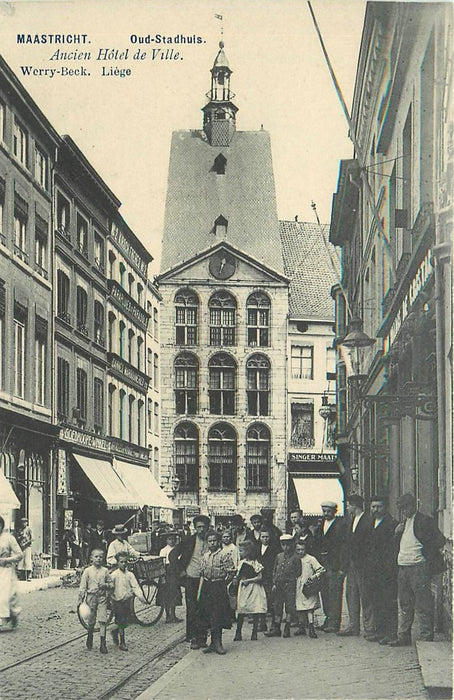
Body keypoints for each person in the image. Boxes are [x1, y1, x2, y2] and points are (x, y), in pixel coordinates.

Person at [389, 493, 446, 646]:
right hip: (403, 568)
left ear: (414, 506)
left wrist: (425, 556)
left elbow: (440, 540)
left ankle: (426, 636)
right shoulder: (402, 524)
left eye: (406, 507)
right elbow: (396, 546)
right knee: (405, 604)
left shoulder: (425, 521)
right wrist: (396, 533)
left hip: (418, 567)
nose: (404, 511)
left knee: (422, 603)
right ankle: (404, 636)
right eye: (401, 508)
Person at [338, 494, 377, 640]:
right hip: (352, 564)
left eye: (349, 505)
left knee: (366, 595)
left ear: (355, 505)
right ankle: (353, 626)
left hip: (364, 564)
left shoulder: (368, 520)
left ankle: (369, 628)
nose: (347, 508)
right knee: (351, 594)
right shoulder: (351, 520)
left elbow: (369, 545)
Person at [169, 514, 210, 649]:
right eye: (199, 527)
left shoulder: (211, 540)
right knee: (192, 608)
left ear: (207, 528)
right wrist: (181, 570)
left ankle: (202, 637)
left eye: (204, 527)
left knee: (204, 607)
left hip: (206, 579)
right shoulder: (189, 540)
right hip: (191, 578)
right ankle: (192, 637)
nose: (201, 530)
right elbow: (172, 555)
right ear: (195, 528)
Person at [198, 529, 235, 655]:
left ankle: (218, 642)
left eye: (214, 541)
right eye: (210, 541)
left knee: (218, 615)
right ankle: (212, 643)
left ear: (218, 542)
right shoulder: (205, 556)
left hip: (219, 587)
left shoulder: (224, 554)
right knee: (208, 615)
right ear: (207, 543)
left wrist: (222, 584)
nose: (212, 543)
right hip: (207, 587)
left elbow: (231, 572)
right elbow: (202, 572)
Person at [368, 496, 399, 645]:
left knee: (388, 602)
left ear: (385, 508)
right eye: (373, 507)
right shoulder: (370, 523)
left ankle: (391, 633)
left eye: (378, 507)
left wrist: (390, 568)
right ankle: (379, 631)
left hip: (387, 570)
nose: (375, 510)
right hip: (373, 570)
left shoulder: (391, 524)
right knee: (376, 601)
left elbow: (393, 549)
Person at [313, 500, 346, 633]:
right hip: (322, 563)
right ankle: (328, 618)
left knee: (335, 593)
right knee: (324, 592)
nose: (326, 514)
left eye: (329, 511)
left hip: (334, 564)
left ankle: (335, 621)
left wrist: (341, 566)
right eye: (324, 511)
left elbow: (343, 547)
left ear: (335, 512)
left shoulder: (340, 525)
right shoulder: (320, 525)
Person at [265, 534, 302, 638]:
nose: (286, 547)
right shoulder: (279, 556)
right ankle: (276, 628)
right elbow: (275, 570)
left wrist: (291, 581)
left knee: (289, 607)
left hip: (289, 585)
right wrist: (274, 582)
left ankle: (287, 627)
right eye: (283, 545)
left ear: (292, 545)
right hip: (278, 585)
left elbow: (298, 572)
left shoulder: (296, 558)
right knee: (277, 606)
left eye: (288, 545)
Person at [110, 551, 147, 651]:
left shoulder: (130, 575)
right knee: (121, 620)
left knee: (124, 621)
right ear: (117, 562)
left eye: (125, 562)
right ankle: (122, 642)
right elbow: (109, 588)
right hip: (117, 600)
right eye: (121, 562)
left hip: (127, 600)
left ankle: (115, 631)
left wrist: (141, 597)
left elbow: (136, 586)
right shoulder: (114, 575)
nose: (123, 564)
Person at [78, 548, 112, 653]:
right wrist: (81, 598)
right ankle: (90, 635)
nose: (98, 559)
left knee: (103, 620)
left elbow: (111, 584)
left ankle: (103, 643)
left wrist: (106, 585)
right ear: (91, 558)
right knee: (91, 619)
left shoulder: (105, 571)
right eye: (96, 557)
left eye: (101, 557)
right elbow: (83, 586)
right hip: (91, 597)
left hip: (102, 598)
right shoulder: (87, 571)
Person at [233, 539, 267, 642]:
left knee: (255, 609)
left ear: (248, 551)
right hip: (244, 589)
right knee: (241, 609)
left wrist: (249, 580)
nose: (240, 553)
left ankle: (254, 632)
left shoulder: (255, 563)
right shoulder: (241, 563)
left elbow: (260, 577)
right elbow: (238, 575)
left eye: (242, 551)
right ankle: (238, 632)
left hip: (254, 588)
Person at [294, 539, 326, 638]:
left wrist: (314, 577)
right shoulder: (295, 559)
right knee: (299, 607)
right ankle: (301, 627)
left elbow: (321, 569)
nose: (300, 552)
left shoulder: (311, 559)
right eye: (298, 550)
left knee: (309, 608)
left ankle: (311, 627)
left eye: (302, 549)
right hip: (297, 586)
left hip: (308, 586)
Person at [0, 515, 23, 630]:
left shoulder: (8, 538)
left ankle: (10, 616)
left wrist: (6, 560)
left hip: (6, 571)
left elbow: (19, 554)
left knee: (4, 596)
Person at [257, 527, 280, 632]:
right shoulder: (257, 548)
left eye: (267, 537)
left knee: (271, 601)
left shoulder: (274, 549)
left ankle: (273, 625)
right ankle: (262, 623)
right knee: (260, 601)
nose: (265, 539)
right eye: (263, 537)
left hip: (270, 577)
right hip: (259, 577)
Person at [158, 530, 182, 623]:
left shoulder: (177, 549)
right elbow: (161, 564)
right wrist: (163, 575)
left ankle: (173, 615)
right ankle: (168, 615)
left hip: (174, 573)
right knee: (166, 595)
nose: (171, 541)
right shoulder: (163, 550)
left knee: (174, 595)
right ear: (166, 540)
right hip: (166, 573)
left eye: (173, 539)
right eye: (169, 539)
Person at [16, 517, 33, 581]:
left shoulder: (29, 529)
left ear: (27, 523)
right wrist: (20, 537)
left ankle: (29, 576)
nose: (23, 524)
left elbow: (32, 539)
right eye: (22, 522)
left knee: (27, 561)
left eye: (25, 522)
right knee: (21, 561)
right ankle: (22, 576)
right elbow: (17, 538)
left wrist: (26, 543)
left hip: (27, 547)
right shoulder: (20, 530)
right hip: (21, 547)